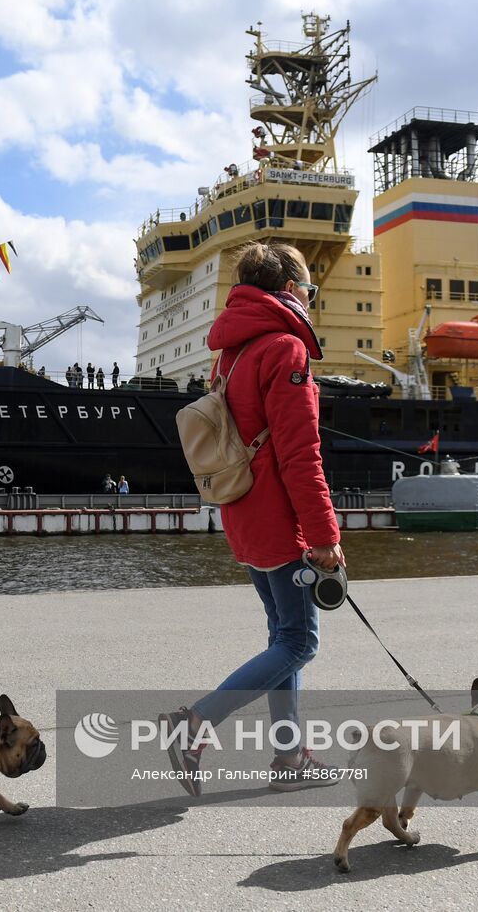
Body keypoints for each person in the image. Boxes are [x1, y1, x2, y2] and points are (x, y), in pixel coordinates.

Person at [160, 240, 344, 798]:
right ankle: (195, 725)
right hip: (280, 523)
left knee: (283, 635)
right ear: (291, 291)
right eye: (310, 289)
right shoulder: (285, 349)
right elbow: (299, 456)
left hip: (241, 511)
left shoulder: (232, 352)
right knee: (298, 643)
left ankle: (289, 757)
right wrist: (324, 537)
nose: (311, 299)